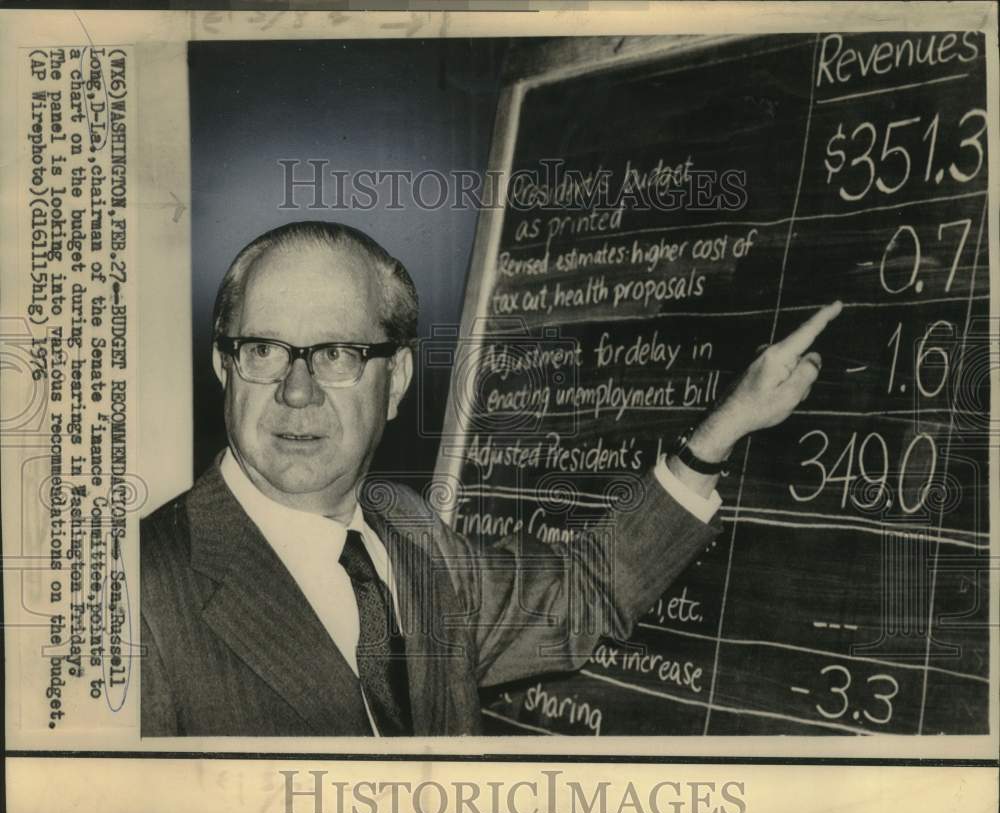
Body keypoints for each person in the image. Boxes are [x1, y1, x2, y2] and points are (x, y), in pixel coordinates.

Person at [140, 221, 841, 736]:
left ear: (397, 381)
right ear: (224, 367)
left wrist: (726, 428)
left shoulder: (408, 538)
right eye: (264, 349)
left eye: (338, 354)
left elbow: (583, 590)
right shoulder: (133, 589)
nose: (297, 391)